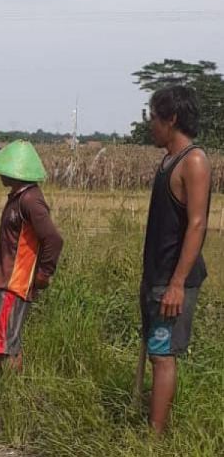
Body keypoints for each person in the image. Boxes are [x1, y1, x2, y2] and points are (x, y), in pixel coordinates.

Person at [141, 85, 210, 434]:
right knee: (155, 353)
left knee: (162, 355)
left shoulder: (193, 161)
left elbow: (197, 224)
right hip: (157, 276)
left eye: (154, 117)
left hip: (173, 279)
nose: (150, 124)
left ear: (172, 119)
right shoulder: (168, 160)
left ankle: (154, 440)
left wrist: (177, 284)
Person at [0, 140, 63, 372]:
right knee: (6, 341)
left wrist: (44, 273)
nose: (0, 174)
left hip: (15, 282)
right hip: (6, 280)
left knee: (5, 345)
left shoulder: (30, 200)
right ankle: (11, 386)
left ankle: (8, 388)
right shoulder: (19, 197)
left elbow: (53, 239)